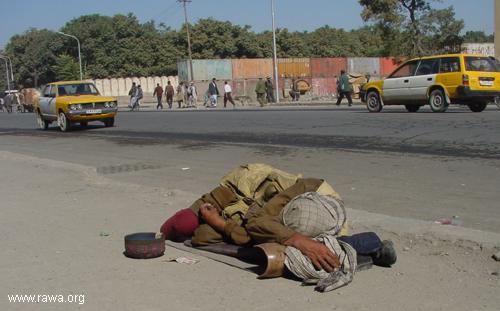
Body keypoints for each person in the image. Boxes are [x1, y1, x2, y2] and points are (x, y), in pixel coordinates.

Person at [160, 164, 396, 277]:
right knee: (208, 236)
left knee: (278, 253)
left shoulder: (298, 200)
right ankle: (364, 248)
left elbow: (250, 230)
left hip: (315, 209)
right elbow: (184, 223)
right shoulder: (243, 185)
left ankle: (367, 245)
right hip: (300, 210)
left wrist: (301, 242)